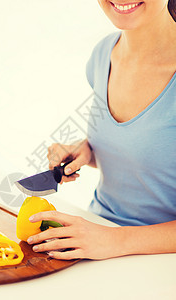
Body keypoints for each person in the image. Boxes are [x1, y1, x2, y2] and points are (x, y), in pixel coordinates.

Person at [26, 0, 176, 260]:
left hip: (160, 261)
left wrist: (112, 240)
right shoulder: (104, 53)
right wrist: (88, 151)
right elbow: (152, 152)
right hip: (95, 235)